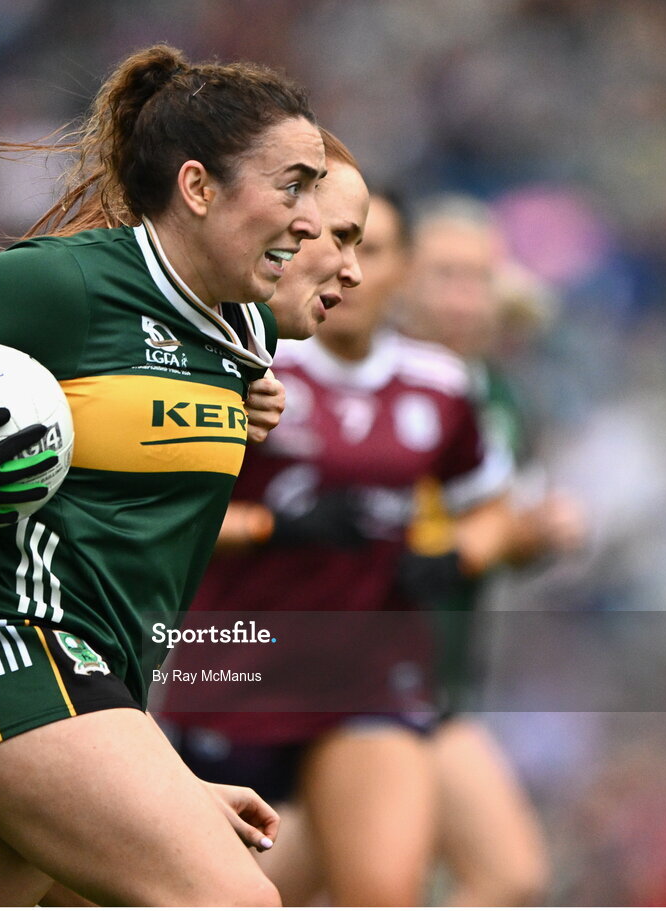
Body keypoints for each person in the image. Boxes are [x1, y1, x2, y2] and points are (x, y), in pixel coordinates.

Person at [0, 41, 363, 906]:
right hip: (4, 649)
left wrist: (149, 778)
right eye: (294, 185)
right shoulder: (63, 285)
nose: (311, 217)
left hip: (85, 683)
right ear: (199, 188)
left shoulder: (246, 330)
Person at [157, 185, 520, 907]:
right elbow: (168, 515)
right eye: (327, 240)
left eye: (368, 248)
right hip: (236, 671)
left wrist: (459, 556)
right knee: (217, 894)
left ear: (404, 270)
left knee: (387, 892)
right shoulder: (247, 369)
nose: (343, 265)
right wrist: (271, 526)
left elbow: (490, 504)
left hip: (371, 678)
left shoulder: (442, 385)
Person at [394, 194, 587, 906]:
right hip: (348, 676)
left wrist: (535, 534)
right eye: (445, 273)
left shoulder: (500, 399)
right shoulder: (369, 379)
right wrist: (516, 529)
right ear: (399, 281)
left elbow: (491, 539)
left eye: (479, 277)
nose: (465, 297)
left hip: (439, 678)